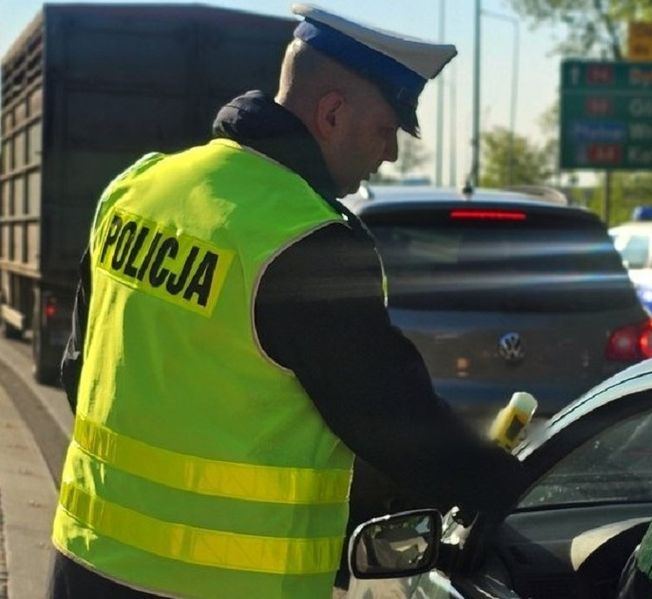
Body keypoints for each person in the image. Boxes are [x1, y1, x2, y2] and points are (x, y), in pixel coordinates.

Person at [49, 5, 524, 598]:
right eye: (387, 130)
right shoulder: (307, 242)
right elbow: (399, 429)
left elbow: (80, 372)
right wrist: (520, 489)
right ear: (332, 113)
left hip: (85, 558)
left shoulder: (140, 185)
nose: (391, 155)